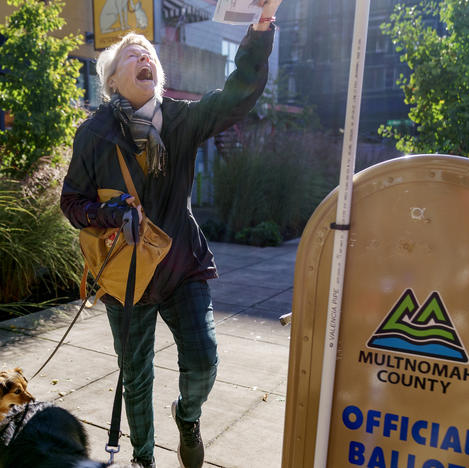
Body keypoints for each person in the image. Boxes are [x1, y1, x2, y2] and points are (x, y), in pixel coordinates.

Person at [60, 1, 282, 466]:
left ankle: (188, 417)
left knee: (203, 361)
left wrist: (262, 26)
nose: (145, 58)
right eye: (132, 54)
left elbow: (237, 96)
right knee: (135, 376)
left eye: (149, 55)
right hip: (127, 274)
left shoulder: (181, 120)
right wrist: (108, 212)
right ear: (113, 81)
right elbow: (71, 202)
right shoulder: (94, 134)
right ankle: (144, 458)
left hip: (181, 264)